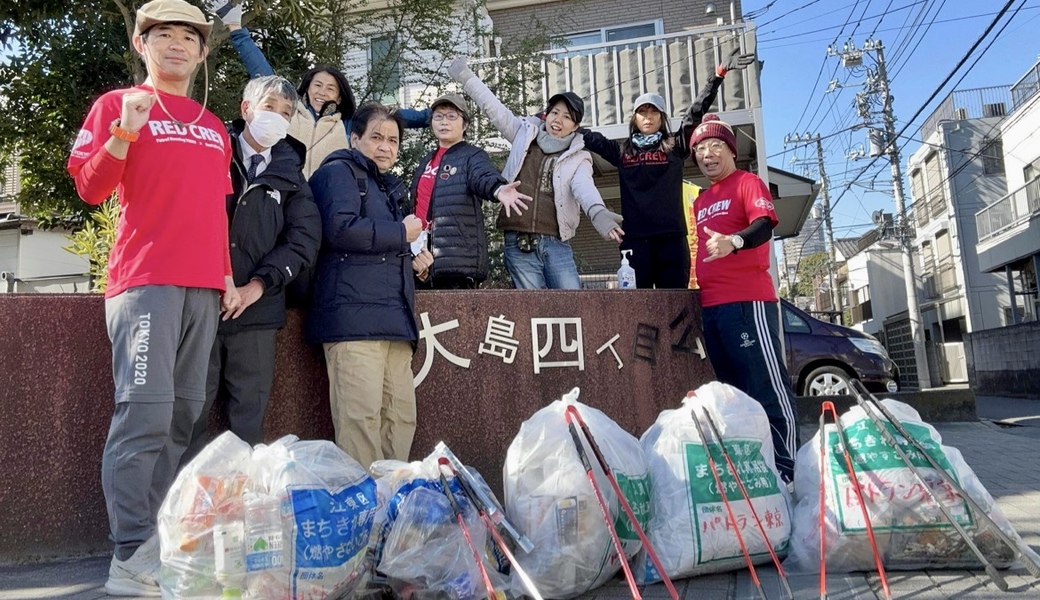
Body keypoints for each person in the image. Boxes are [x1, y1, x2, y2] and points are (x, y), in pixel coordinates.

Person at [66, 0, 239, 595]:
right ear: (142, 44)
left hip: (202, 289)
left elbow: (217, 212)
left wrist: (226, 277)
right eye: (162, 35)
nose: (176, 45)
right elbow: (90, 189)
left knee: (184, 414)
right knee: (143, 415)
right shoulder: (118, 106)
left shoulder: (213, 125)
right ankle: (127, 553)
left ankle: (158, 540)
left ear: (202, 51)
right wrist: (123, 135)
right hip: (145, 284)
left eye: (188, 37)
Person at [182, 75, 321, 465]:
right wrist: (219, 280)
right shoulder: (211, 154)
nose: (277, 118)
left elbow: (303, 240)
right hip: (201, 304)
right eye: (269, 108)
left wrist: (258, 285)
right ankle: (185, 508)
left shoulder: (292, 175)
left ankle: (244, 507)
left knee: (249, 420)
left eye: (286, 113)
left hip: (258, 312)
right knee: (190, 413)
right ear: (246, 109)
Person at [306, 103, 434, 469]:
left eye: (393, 140)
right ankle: (367, 517)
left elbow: (389, 251)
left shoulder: (389, 188)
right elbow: (340, 229)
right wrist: (401, 233)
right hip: (353, 321)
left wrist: (417, 266)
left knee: (401, 419)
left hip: (394, 321)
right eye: (376, 137)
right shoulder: (338, 173)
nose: (385, 146)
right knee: (360, 423)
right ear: (355, 137)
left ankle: (393, 513)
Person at [580, 48, 754, 289]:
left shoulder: (675, 145)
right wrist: (557, 120)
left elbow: (695, 112)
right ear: (635, 119)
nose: (648, 117)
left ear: (662, 117)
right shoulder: (622, 151)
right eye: (642, 112)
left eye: (653, 112)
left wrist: (718, 74)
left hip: (671, 240)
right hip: (635, 241)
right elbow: (590, 137)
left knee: (674, 306)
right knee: (636, 309)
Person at [449, 57, 624, 289]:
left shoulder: (579, 156)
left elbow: (584, 187)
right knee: (533, 311)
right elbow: (493, 108)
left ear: (576, 126)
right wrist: (466, 77)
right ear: (547, 114)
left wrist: (597, 212)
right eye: (555, 113)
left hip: (557, 244)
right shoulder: (524, 133)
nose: (558, 120)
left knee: (573, 306)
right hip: (518, 242)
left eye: (567, 117)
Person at [689, 114, 798, 483]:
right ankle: (753, 473)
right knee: (734, 397)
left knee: (766, 387)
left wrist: (734, 241)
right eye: (701, 149)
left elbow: (765, 225)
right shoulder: (701, 200)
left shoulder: (747, 182)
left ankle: (788, 472)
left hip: (748, 302)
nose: (708, 154)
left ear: (731, 150)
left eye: (715, 146)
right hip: (712, 307)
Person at [207, 0, 430, 178]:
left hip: (328, 207)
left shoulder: (348, 124)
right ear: (307, 89)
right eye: (317, 85)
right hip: (288, 200)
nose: (322, 92)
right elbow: (265, 74)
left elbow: (393, 117)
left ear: (340, 96)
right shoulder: (289, 114)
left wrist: (436, 115)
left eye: (330, 88)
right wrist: (236, 27)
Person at [410, 92, 531, 288]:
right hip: (421, 256)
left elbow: (482, 176)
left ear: (465, 124)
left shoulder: (472, 155)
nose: (444, 122)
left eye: (451, 116)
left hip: (456, 261)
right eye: (438, 116)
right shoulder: (427, 160)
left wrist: (498, 189)